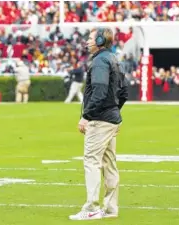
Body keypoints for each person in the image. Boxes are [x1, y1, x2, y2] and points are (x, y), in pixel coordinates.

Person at [69, 27, 128, 221]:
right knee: (109, 163)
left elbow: (100, 91)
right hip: (110, 118)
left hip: (101, 119)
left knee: (92, 161)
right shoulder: (113, 59)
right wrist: (115, 112)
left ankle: (92, 207)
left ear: (101, 40)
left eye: (90, 38)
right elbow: (124, 92)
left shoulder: (101, 61)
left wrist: (87, 115)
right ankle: (111, 208)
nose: (87, 41)